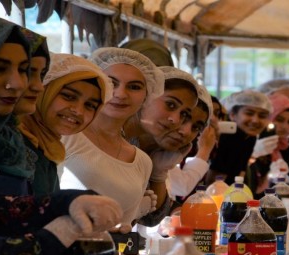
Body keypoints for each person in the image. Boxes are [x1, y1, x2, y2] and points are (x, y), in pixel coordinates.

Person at [0, 15, 123, 255]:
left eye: (28, 71)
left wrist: (70, 202)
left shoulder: (7, 143)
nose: (19, 84)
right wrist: (60, 232)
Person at [61, 48, 165, 230]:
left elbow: (123, 232)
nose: (120, 94)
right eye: (111, 82)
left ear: (146, 96)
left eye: (134, 87)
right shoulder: (67, 136)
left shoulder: (141, 162)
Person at [19, 53, 112, 195]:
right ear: (44, 91)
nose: (78, 111)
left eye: (90, 105)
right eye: (68, 96)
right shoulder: (12, 144)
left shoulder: (46, 147)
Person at [124, 66, 199, 225]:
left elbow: (151, 218)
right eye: (171, 105)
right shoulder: (113, 140)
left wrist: (158, 173)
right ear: (146, 94)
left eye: (184, 115)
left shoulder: (144, 155)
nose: (176, 121)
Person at [207, 89, 272, 186]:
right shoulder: (228, 138)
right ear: (233, 114)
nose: (255, 120)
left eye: (262, 116)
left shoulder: (249, 137)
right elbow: (214, 181)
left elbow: (240, 174)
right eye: (249, 113)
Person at [246, 92, 289, 196]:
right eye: (279, 120)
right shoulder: (252, 142)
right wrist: (254, 155)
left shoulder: (288, 146)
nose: (285, 126)